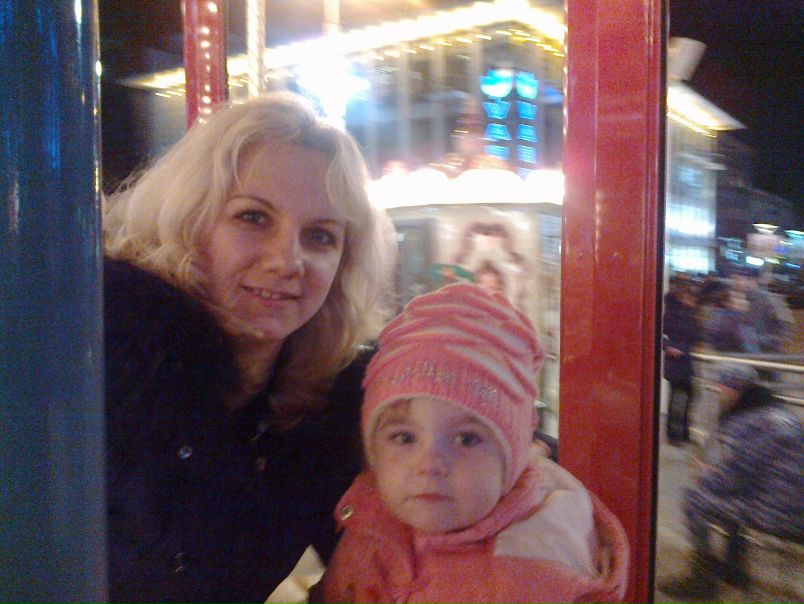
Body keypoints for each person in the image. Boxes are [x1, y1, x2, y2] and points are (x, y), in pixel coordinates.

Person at [102, 92, 396, 603]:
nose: (287, 261)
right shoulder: (114, 361)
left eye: (320, 236)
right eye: (254, 218)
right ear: (190, 220)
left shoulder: (319, 408)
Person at [313, 284, 629, 604]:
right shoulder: (371, 518)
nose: (429, 464)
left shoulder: (531, 576)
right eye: (404, 437)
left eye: (466, 439)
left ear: (514, 459)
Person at [659, 363, 804, 600]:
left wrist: (704, 473)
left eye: (720, 388)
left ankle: (703, 580)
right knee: (735, 500)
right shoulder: (782, 414)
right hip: (794, 508)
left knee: (695, 499)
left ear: (733, 389)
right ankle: (734, 570)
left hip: (782, 517)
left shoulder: (746, 423)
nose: (718, 394)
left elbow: (729, 481)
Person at [662, 273, 699, 444]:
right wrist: (668, 348)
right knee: (677, 398)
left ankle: (683, 432)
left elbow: (695, 334)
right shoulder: (672, 312)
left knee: (687, 397)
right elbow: (661, 334)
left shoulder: (690, 311)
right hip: (676, 360)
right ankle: (674, 433)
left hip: (686, 359)